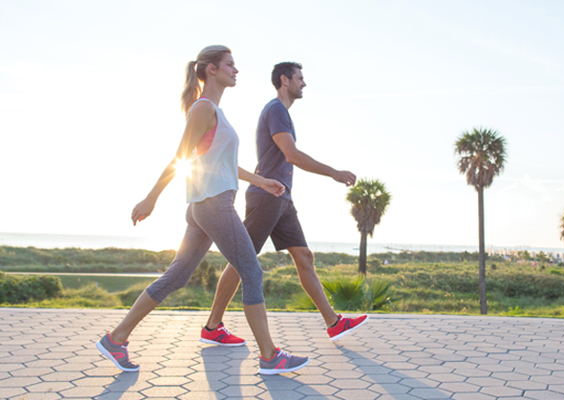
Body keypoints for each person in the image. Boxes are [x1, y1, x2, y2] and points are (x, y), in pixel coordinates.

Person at [95, 46, 309, 375]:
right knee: (252, 273)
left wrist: (261, 181)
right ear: (211, 69)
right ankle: (269, 357)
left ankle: (116, 338)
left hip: (203, 206)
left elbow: (221, 163)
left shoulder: (215, 112)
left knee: (177, 276)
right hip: (213, 205)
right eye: (230, 65)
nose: (236, 70)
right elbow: (180, 157)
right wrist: (151, 198)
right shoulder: (204, 108)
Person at [199, 62, 368, 346]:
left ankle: (333, 323)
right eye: (300, 78)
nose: (304, 84)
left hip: (282, 198)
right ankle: (212, 327)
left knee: (304, 256)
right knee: (242, 260)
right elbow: (291, 154)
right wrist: (334, 173)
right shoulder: (276, 109)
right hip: (267, 196)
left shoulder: (282, 113)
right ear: (284, 80)